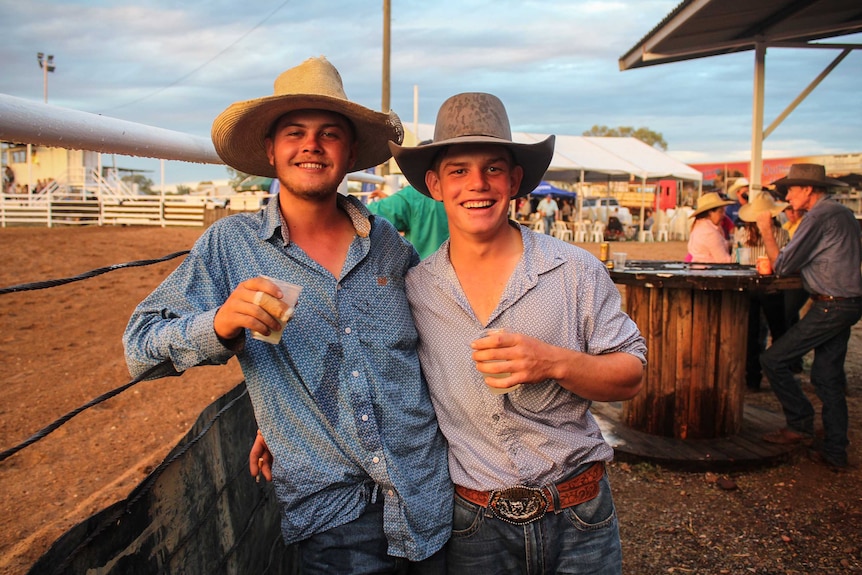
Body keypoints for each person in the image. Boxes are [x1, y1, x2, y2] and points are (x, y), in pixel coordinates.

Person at [123, 56, 452, 572]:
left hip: (429, 497)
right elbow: (141, 344)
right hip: (333, 518)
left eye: (329, 133)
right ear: (271, 149)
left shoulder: (389, 246)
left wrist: (281, 418)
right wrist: (219, 325)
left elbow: (426, 349)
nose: (311, 145)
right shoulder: (231, 246)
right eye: (294, 132)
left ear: (348, 152)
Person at [390, 92, 646, 573]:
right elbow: (369, 365)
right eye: (459, 170)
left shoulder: (574, 271)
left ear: (514, 180)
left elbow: (630, 377)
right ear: (435, 184)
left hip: (579, 514)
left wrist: (553, 363)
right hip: (474, 526)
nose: (477, 184)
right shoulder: (416, 290)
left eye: (492, 168)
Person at [756, 163, 862, 471]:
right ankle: (834, 449)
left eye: (790, 189)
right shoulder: (841, 213)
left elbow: (785, 265)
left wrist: (766, 230)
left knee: (773, 359)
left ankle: (800, 424)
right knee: (827, 377)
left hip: (831, 303)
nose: (787, 195)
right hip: (845, 301)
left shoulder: (819, 216)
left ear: (807, 190)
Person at [735, 192, 791, 390]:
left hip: (750, 287)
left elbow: (737, 257)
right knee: (778, 332)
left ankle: (753, 378)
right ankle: (781, 374)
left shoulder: (743, 234)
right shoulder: (781, 234)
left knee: (751, 334)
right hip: (772, 287)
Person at [367, 182, 449, 259]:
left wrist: (394, 201)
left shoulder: (413, 195)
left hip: (421, 268)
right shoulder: (453, 193)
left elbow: (364, 214)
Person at [686, 192, 734, 263]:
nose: (723, 215)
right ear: (710, 213)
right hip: (710, 270)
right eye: (720, 212)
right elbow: (723, 260)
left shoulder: (699, 226)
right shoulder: (709, 232)